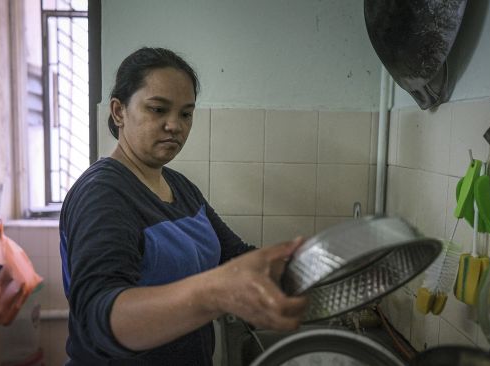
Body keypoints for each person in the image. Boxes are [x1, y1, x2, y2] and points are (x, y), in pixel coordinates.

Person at [59, 47, 308, 365]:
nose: (174, 125)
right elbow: (99, 317)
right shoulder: (103, 194)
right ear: (119, 112)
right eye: (158, 110)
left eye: (185, 114)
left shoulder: (180, 186)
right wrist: (213, 293)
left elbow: (233, 254)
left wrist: (307, 262)